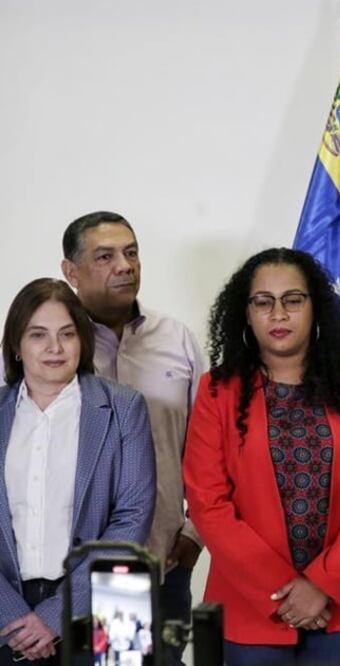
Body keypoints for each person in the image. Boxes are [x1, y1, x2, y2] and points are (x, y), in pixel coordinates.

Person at [183, 248, 340, 664]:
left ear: (314, 307)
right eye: (263, 302)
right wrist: (285, 591)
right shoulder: (217, 391)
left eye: (293, 300)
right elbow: (208, 503)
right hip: (250, 605)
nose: (278, 314)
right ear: (246, 313)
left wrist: (323, 585)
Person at [59, 211, 207, 665]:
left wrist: (193, 533)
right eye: (105, 256)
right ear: (71, 271)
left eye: (131, 252)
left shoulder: (175, 338)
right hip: (76, 569)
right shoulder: (53, 346)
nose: (125, 265)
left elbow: (209, 446)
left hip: (164, 560)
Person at [0, 278, 155, 665]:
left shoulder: (124, 408)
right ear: (17, 345)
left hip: (109, 598)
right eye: (38, 335)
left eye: (67, 334)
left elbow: (133, 515)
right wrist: (14, 615)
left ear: (82, 341)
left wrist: (56, 615)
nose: (54, 348)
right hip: (8, 609)